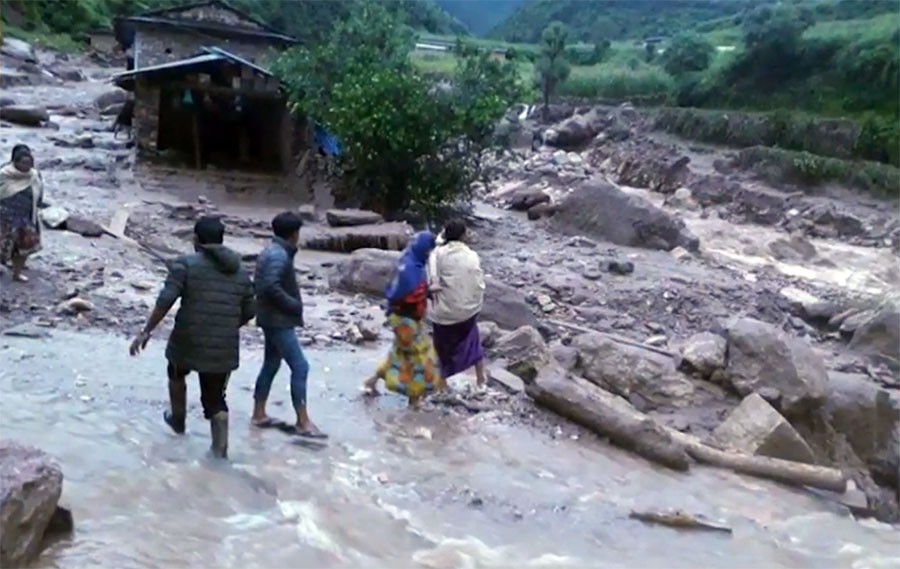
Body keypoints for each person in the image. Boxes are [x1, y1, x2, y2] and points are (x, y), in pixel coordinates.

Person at [129, 216, 255, 459]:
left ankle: (178, 420)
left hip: (188, 338)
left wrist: (146, 331)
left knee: (176, 373)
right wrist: (228, 324)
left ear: (196, 240)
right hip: (224, 345)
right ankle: (220, 453)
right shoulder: (239, 270)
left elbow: (166, 300)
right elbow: (250, 309)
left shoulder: (185, 264)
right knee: (215, 398)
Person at [251, 211, 326, 438]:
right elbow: (269, 286)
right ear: (294, 234)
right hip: (278, 320)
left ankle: (259, 413)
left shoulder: (273, 251)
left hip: (270, 318)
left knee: (271, 364)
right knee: (300, 366)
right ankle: (303, 421)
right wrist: (292, 304)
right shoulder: (279, 256)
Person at [361, 231, 445, 407]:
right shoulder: (411, 269)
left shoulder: (408, 262)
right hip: (406, 320)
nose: (430, 254)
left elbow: (403, 291)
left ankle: (371, 381)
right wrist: (428, 291)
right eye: (429, 250)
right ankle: (414, 399)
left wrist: (427, 291)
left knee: (398, 354)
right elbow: (409, 295)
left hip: (401, 318)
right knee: (419, 357)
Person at [427, 219, 488, 387]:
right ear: (463, 236)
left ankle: (443, 381)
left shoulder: (437, 254)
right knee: (472, 337)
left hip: (445, 314)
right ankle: (480, 378)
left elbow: (432, 282)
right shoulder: (472, 255)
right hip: (469, 310)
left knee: (441, 346)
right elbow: (478, 283)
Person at [0, 145, 44, 282]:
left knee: (24, 247)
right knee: (3, 245)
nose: (27, 166)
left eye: (29, 163)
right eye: (23, 163)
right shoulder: (4, 175)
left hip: (26, 217)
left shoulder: (34, 176)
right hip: (5, 217)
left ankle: (17, 273)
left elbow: (39, 193)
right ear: (15, 162)